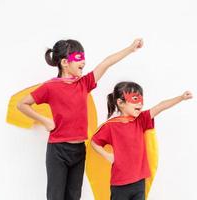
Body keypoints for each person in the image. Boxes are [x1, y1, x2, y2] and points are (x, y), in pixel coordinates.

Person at [17, 38, 143, 200]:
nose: (83, 62)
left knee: (74, 196)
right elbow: (22, 104)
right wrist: (45, 121)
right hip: (58, 151)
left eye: (83, 57)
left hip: (78, 150)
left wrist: (130, 48)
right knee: (56, 196)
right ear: (64, 62)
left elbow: (107, 63)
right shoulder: (50, 87)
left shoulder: (84, 83)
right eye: (78, 58)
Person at [91, 81, 193, 200]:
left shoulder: (141, 120)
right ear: (120, 103)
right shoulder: (110, 126)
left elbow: (160, 107)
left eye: (141, 99)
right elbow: (94, 141)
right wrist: (107, 155)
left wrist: (180, 98)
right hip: (120, 185)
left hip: (139, 182)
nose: (140, 103)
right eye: (135, 98)